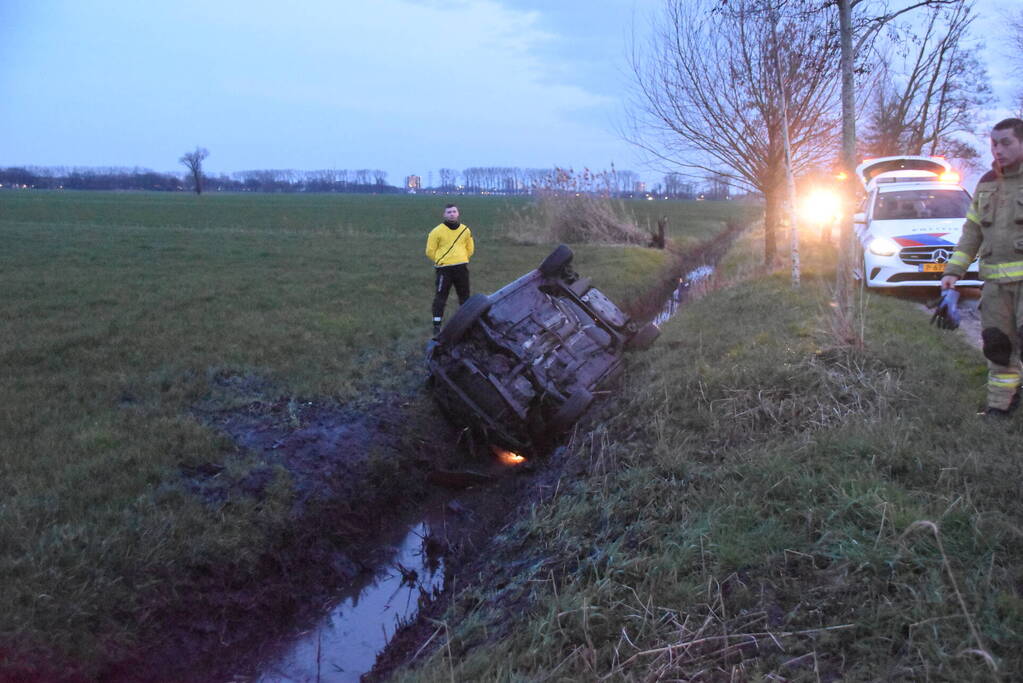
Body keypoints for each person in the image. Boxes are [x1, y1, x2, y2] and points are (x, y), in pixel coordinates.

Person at [941, 118, 1023, 417]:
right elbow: (972, 231)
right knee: (998, 347)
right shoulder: (987, 182)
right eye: (994, 144)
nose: (998, 150)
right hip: (995, 288)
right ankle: (1001, 406)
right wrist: (953, 271)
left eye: (1006, 143)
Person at [425, 204, 475, 335]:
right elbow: (430, 251)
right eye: (449, 212)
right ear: (444, 215)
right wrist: (442, 260)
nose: (452, 214)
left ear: (458, 213)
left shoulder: (465, 230)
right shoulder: (436, 232)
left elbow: (470, 248)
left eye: (454, 211)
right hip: (444, 269)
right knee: (441, 297)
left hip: (461, 268)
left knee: (464, 297)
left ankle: (467, 323)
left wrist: (461, 258)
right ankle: (437, 325)